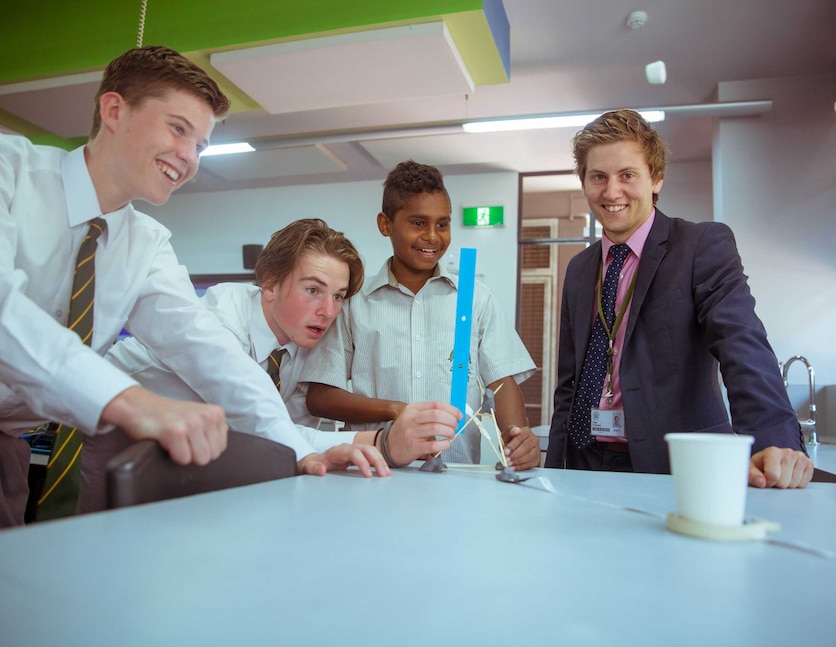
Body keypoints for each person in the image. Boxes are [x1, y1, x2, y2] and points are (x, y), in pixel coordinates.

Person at [0, 46, 385, 528]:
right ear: (114, 110)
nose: (188, 158)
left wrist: (295, 452)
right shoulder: (9, 171)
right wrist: (131, 401)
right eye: (178, 129)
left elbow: (211, 355)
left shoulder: (145, 244)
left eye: (201, 145)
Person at [83, 218, 461, 511]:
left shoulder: (300, 346)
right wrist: (378, 443)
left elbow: (288, 433)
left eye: (339, 296)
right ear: (269, 284)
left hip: (187, 454)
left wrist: (384, 444)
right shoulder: (220, 321)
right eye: (313, 290)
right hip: (101, 431)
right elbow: (256, 420)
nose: (328, 312)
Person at [545, 109, 813, 489]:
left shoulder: (701, 246)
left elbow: (742, 343)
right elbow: (569, 384)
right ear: (584, 182)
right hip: (586, 462)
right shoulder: (579, 268)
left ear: (655, 179)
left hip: (676, 465)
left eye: (627, 175)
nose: (611, 192)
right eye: (598, 177)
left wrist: (774, 441)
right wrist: (555, 467)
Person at [302, 160, 540, 469]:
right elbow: (320, 396)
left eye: (442, 224)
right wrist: (395, 410)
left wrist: (517, 437)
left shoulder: (474, 298)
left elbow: (501, 381)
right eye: (418, 223)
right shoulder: (353, 302)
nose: (432, 236)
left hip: (456, 477)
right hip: (376, 473)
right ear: (385, 224)